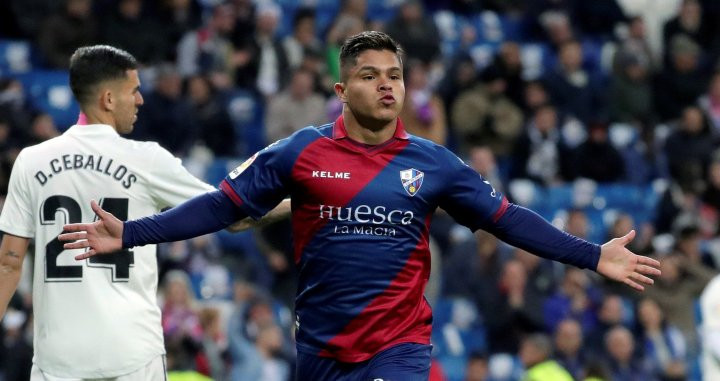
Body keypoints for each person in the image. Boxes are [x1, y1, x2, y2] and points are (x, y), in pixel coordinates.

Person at [60, 32, 661, 380]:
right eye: (370, 76)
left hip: (398, 348)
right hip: (320, 352)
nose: (386, 85)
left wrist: (591, 256)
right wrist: (130, 234)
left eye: (395, 75)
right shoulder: (300, 153)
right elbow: (222, 208)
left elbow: (506, 220)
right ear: (342, 91)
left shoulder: (434, 163)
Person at [0, 45, 286, 380]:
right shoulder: (147, 159)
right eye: (134, 90)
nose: (141, 100)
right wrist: (301, 203)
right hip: (132, 355)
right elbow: (232, 216)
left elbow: (9, 261)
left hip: (59, 358)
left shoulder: (31, 160)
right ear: (108, 98)